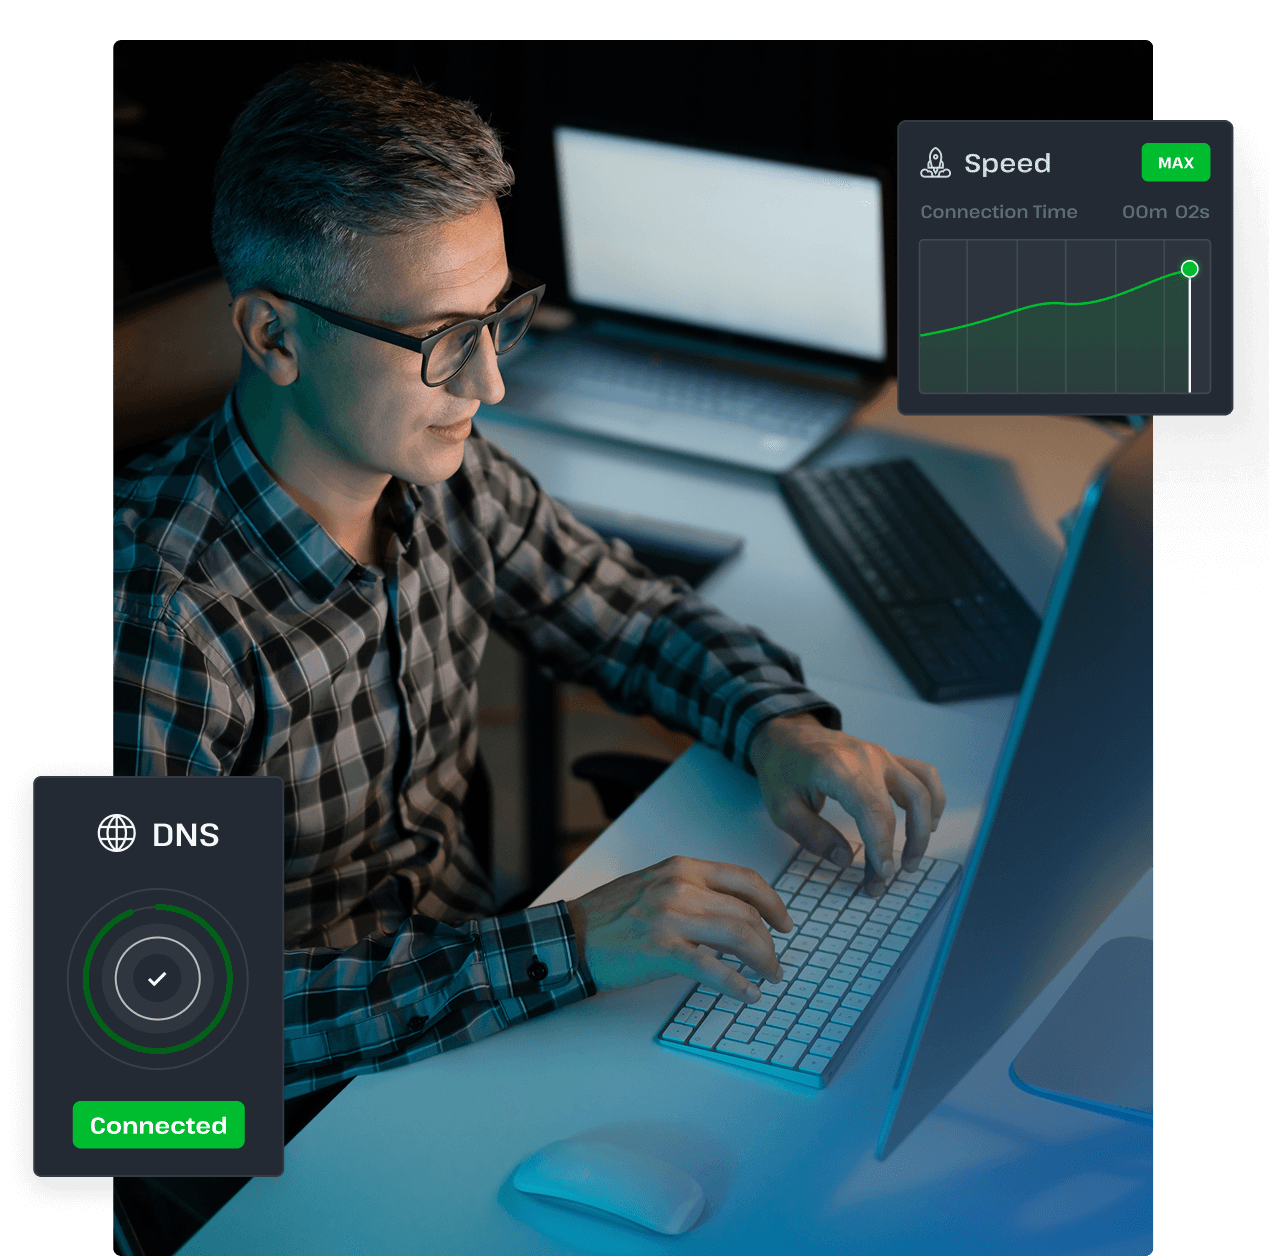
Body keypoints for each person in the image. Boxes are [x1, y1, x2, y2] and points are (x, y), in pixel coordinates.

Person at [113, 62, 945, 1103]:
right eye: (439, 340)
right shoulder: (158, 623)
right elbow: (153, 1031)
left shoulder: (435, 476)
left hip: (470, 997)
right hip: (300, 1105)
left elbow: (631, 618)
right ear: (275, 335)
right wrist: (569, 943)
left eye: (498, 317)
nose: (490, 382)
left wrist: (781, 726)